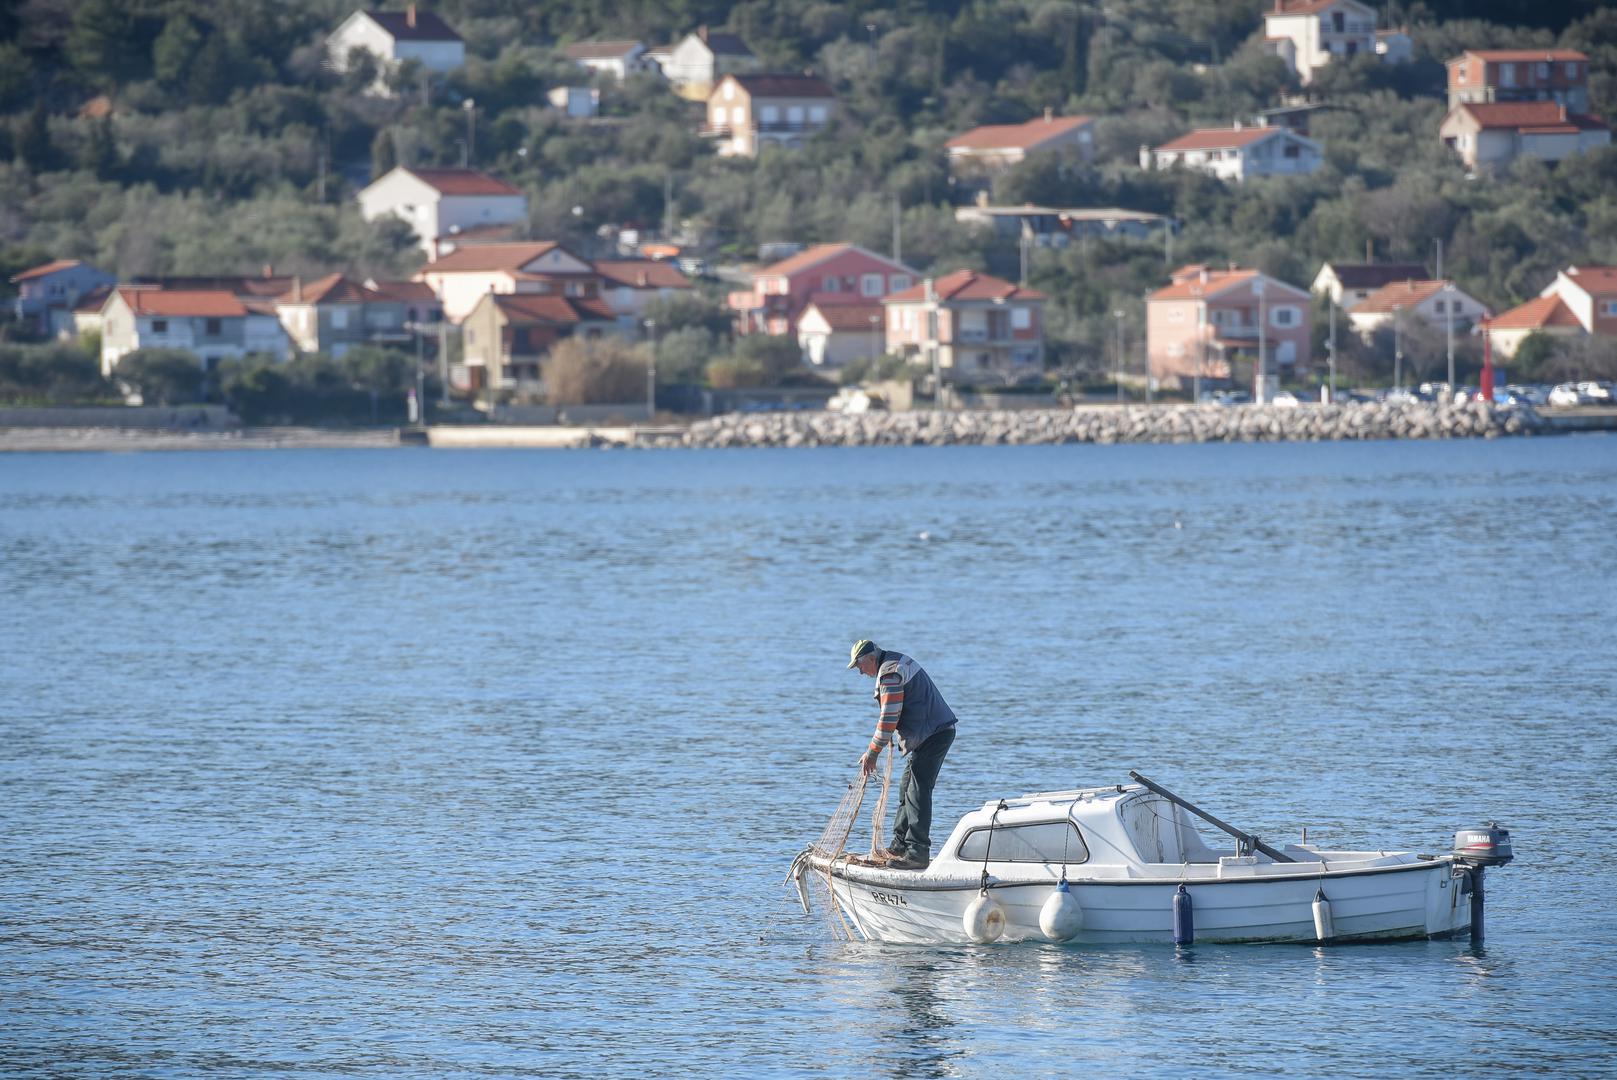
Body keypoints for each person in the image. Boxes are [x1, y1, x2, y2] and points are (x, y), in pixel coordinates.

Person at [847, 639, 957, 871]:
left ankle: (917, 853)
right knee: (906, 787)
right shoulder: (892, 662)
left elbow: (889, 718)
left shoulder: (889, 673)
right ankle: (899, 846)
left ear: (870, 659)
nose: (860, 672)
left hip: (934, 735)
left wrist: (872, 752)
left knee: (917, 791)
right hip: (930, 734)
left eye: (859, 666)